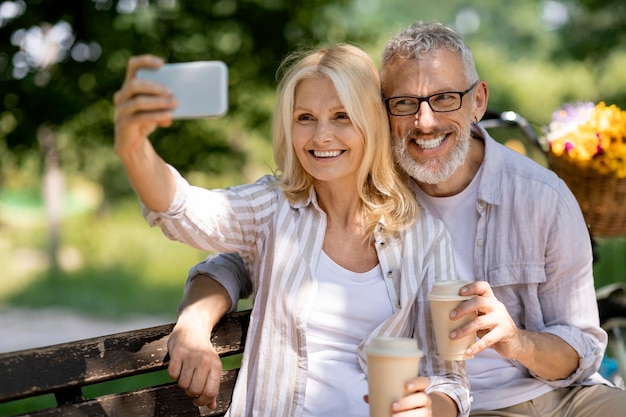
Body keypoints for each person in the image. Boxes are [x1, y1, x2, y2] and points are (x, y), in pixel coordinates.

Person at [176, 20, 626, 417]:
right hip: (463, 405)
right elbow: (236, 259)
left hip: (562, 395)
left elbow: (583, 350)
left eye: (445, 98)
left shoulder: (541, 197)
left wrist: (515, 340)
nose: (425, 122)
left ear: (477, 101)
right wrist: (195, 324)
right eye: (405, 103)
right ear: (382, 112)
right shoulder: (369, 184)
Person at [113, 43, 470, 417]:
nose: (321, 136)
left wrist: (428, 409)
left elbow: (450, 380)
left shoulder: (424, 237)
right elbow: (182, 210)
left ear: (372, 122)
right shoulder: (275, 208)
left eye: (341, 116)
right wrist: (134, 148)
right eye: (305, 118)